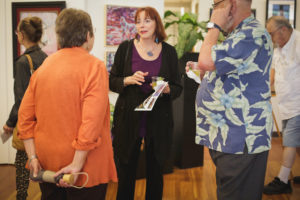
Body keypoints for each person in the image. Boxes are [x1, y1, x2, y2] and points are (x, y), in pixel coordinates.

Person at [17, 8, 117, 200]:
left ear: (59, 36)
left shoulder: (43, 68)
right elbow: (91, 123)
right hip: (84, 165)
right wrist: (77, 164)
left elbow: (24, 118)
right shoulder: (94, 67)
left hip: (47, 163)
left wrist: (32, 158)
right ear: (88, 35)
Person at [189, 0, 273, 199]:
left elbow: (206, 60)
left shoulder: (251, 33)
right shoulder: (239, 34)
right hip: (230, 136)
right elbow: (225, 72)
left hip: (242, 138)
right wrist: (203, 73)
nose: (214, 10)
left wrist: (214, 25)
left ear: (231, 5)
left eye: (217, 4)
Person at [109, 6, 182, 200]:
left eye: (147, 20)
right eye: (138, 21)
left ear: (157, 23)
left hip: (158, 121)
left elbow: (178, 87)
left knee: (156, 174)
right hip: (129, 120)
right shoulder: (125, 48)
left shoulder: (169, 52)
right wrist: (127, 80)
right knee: (125, 173)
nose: (142, 25)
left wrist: (167, 89)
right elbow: (112, 80)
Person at [2, 16, 47, 200]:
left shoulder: (22, 62)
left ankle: (21, 197)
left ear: (20, 35)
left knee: (22, 163)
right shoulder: (46, 58)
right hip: (45, 121)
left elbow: (21, 101)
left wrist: (10, 123)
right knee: (44, 163)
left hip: (28, 123)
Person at [263, 16, 300, 195]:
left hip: (299, 104)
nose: (271, 38)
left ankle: (283, 180)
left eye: (272, 33)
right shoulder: (277, 48)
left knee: (290, 142)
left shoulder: (299, 42)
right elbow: (271, 77)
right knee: (296, 143)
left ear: (283, 30)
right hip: (286, 104)